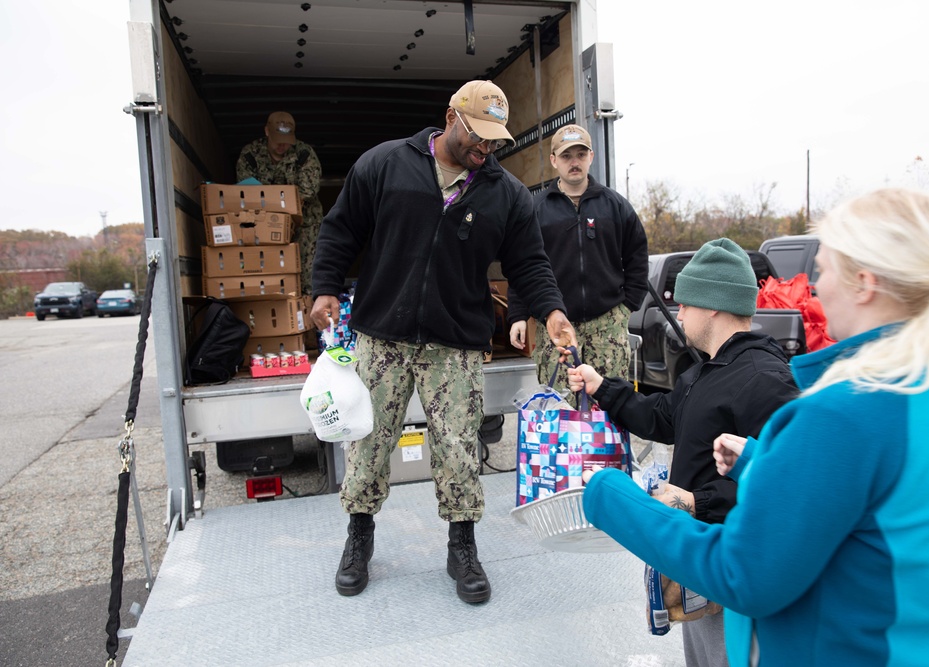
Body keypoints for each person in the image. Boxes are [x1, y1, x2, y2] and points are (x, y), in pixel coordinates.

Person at [580, 188, 929, 666]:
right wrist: (760, 464)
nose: (814, 284)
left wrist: (609, 494)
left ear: (865, 282)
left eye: (826, 267)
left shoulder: (843, 412)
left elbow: (742, 575)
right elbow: (860, 503)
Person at [309, 80, 577, 605]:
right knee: (369, 443)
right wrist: (323, 287)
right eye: (477, 135)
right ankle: (359, 538)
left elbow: (529, 263)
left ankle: (462, 548)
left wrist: (553, 311)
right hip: (381, 333)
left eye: (494, 140)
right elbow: (340, 230)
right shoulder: (386, 164)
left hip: (454, 342)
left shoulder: (506, 194)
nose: (486, 148)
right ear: (450, 117)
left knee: (458, 446)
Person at [566, 238, 798, 667]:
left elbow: (787, 481)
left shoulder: (763, 378)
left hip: (732, 572)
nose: (679, 313)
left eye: (685, 303)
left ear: (713, 305)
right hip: (697, 564)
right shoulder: (706, 372)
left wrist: (698, 500)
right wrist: (603, 388)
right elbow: (664, 417)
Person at [507, 123, 647, 406]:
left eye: (580, 154)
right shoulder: (536, 209)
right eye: (567, 155)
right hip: (555, 328)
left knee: (609, 409)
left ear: (591, 157)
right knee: (560, 410)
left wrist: (626, 307)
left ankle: (608, 453)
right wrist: (518, 315)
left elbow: (637, 257)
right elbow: (522, 264)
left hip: (606, 326)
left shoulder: (615, 206)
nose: (574, 162)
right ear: (554, 160)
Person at [236, 111, 323, 294]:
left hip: (304, 223)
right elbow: (246, 192)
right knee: (266, 271)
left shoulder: (304, 155)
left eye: (287, 140)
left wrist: (283, 210)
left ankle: (308, 313)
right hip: (263, 221)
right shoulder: (250, 155)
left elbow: (308, 190)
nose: (283, 145)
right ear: (267, 131)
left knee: (308, 273)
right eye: (278, 140)